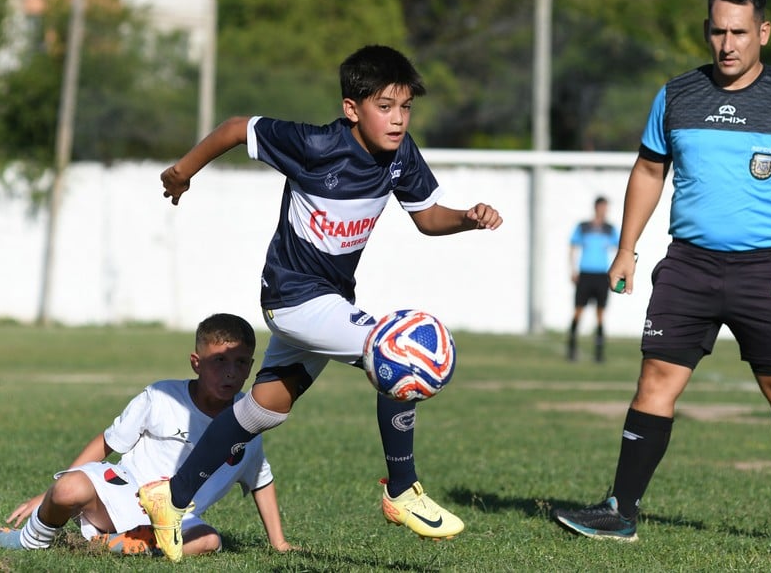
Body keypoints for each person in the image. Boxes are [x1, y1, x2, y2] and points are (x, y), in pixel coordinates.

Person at [137, 44, 503, 561]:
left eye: (405, 108)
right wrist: (182, 171)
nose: (397, 120)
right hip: (292, 298)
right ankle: (401, 490)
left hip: (329, 300)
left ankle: (170, 499)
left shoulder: (401, 154)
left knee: (263, 411)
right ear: (352, 108)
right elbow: (237, 127)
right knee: (398, 354)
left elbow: (426, 218)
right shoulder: (314, 144)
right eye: (385, 107)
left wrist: (466, 216)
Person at [553, 0, 771, 542]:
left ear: (764, 33)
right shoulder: (678, 94)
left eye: (738, 33)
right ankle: (620, 511)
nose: (726, 45)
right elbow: (649, 170)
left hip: (770, 268)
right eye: (717, 32)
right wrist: (626, 248)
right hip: (689, 266)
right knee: (655, 380)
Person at [0, 314, 293, 556]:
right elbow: (107, 442)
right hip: (122, 494)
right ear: (196, 363)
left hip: (172, 520)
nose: (230, 372)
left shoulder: (246, 421)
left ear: (251, 366)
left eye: (240, 363)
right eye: (219, 361)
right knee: (68, 489)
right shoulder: (161, 396)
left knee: (209, 540)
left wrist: (278, 544)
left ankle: (110, 545)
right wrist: (48, 494)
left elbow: (260, 480)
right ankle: (28, 540)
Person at [567, 196, 619, 362]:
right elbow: (573, 248)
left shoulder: (610, 229)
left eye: (606, 207)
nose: (604, 210)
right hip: (585, 274)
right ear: (596, 207)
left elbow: (619, 249)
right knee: (578, 311)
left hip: (602, 276)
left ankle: (599, 353)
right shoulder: (583, 227)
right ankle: (572, 348)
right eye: (602, 207)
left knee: (600, 314)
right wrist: (573, 270)